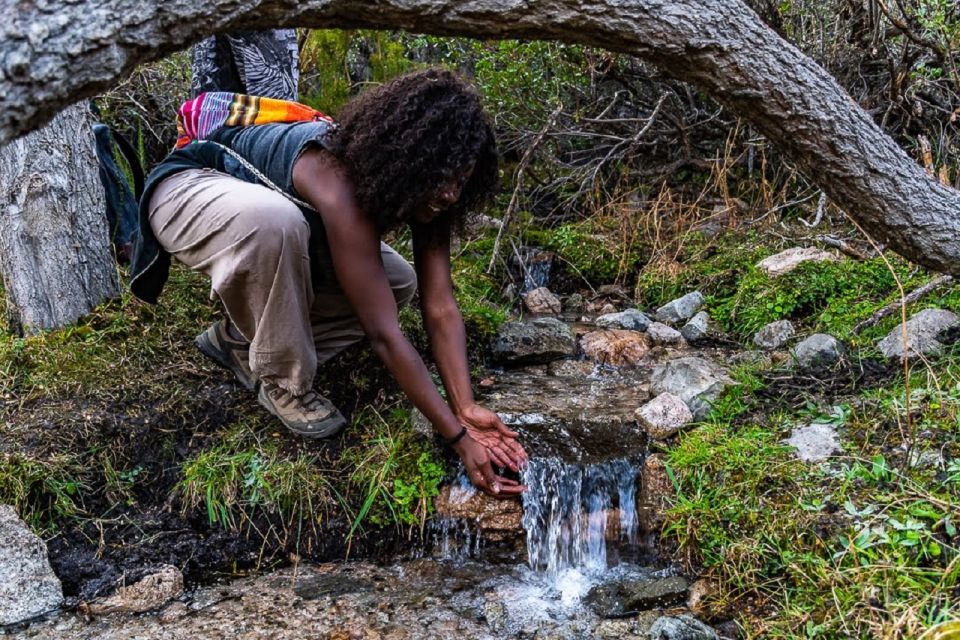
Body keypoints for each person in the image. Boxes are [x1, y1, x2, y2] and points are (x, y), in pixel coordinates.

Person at [129, 68, 527, 496]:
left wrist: (465, 406)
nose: (450, 194)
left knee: (397, 282)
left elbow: (440, 304)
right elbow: (383, 334)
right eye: (441, 176)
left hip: (267, 209)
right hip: (187, 189)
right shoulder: (336, 179)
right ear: (410, 160)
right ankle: (282, 383)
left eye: (461, 181)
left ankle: (240, 343)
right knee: (274, 224)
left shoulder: (428, 197)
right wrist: (457, 438)